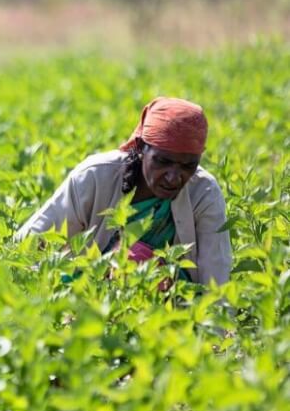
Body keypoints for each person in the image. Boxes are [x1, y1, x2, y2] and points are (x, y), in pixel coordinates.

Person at [16, 97, 231, 285]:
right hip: (87, 298)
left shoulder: (204, 193)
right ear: (140, 148)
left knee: (148, 266)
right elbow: (28, 246)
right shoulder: (95, 177)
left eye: (188, 166)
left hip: (174, 307)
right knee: (130, 259)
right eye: (163, 161)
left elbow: (216, 278)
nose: (174, 177)